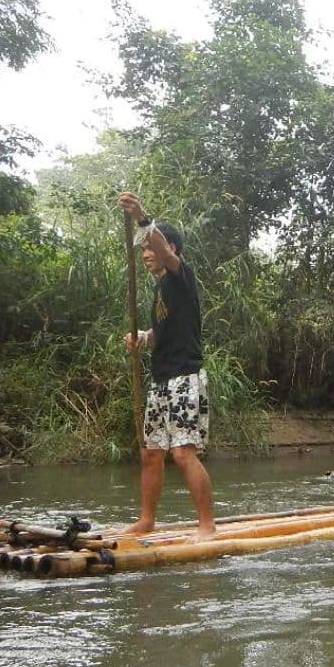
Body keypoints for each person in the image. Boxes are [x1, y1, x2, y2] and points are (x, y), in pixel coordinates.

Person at [117, 192, 216, 541]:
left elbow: (158, 242)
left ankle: (207, 526)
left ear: (168, 249)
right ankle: (147, 520)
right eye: (143, 249)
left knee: (183, 453)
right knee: (151, 454)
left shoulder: (180, 276)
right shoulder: (161, 290)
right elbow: (162, 332)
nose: (145, 254)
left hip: (184, 379)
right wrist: (142, 338)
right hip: (160, 380)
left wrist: (144, 218)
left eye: (149, 248)